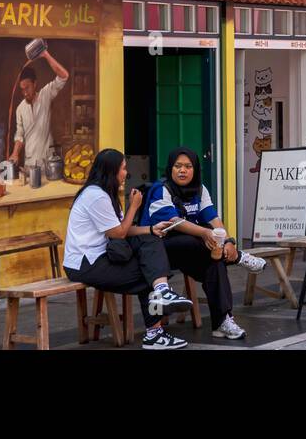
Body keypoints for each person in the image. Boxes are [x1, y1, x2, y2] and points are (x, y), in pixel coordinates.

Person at [63, 148, 194, 349]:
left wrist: (151, 228)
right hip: (85, 264)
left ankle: (161, 293)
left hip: (101, 257)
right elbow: (119, 233)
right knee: (147, 272)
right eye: (123, 169)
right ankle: (155, 329)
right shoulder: (96, 196)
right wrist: (134, 206)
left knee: (150, 240)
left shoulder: (105, 194)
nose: (126, 173)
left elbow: (123, 229)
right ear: (111, 171)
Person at [141, 148, 266, 340]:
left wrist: (228, 242)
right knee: (196, 239)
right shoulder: (161, 189)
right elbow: (174, 221)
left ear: (195, 169)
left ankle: (223, 321)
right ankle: (239, 258)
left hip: (190, 251)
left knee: (215, 264)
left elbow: (213, 218)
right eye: (178, 166)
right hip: (159, 251)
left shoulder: (200, 189)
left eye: (188, 166)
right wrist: (206, 233)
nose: (182, 170)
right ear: (170, 168)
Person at [8, 49, 68, 169]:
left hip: (48, 163)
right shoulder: (20, 108)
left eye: (27, 88)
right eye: (22, 89)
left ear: (35, 84)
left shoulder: (45, 95)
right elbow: (20, 134)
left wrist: (46, 55)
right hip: (30, 164)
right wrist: (15, 153)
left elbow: (64, 76)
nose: (25, 93)